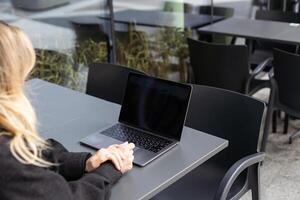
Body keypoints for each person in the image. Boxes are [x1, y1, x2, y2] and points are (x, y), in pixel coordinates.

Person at [0, 21, 135, 200]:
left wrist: (85, 163)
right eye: (21, 78)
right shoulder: (7, 164)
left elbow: (29, 151)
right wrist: (109, 170)